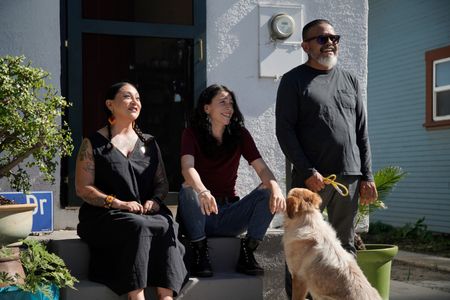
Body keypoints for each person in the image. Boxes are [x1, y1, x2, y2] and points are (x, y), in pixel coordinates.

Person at [275, 19, 378, 298]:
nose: (330, 42)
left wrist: (367, 175)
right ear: (306, 46)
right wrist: (307, 169)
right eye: (322, 38)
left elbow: (361, 132)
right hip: (311, 183)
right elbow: (284, 131)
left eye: (334, 37)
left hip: (350, 176)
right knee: (301, 250)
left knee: (343, 249)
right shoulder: (293, 81)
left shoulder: (350, 80)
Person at [75, 82, 187, 300]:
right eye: (127, 97)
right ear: (110, 104)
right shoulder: (93, 142)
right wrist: (118, 203)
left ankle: (166, 297)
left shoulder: (149, 143)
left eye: (138, 98)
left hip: (144, 211)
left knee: (166, 223)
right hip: (107, 214)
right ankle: (136, 296)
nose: (135, 102)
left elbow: (162, 183)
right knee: (137, 225)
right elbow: (82, 188)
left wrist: (155, 200)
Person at [177, 84, 286, 277]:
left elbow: (261, 168)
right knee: (188, 187)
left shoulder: (240, 135)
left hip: (229, 215)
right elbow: (187, 168)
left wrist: (276, 187)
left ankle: (247, 253)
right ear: (206, 108)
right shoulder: (191, 134)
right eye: (222, 102)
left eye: (231, 103)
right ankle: (200, 253)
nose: (229, 108)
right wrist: (203, 191)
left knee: (268, 189)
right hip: (200, 216)